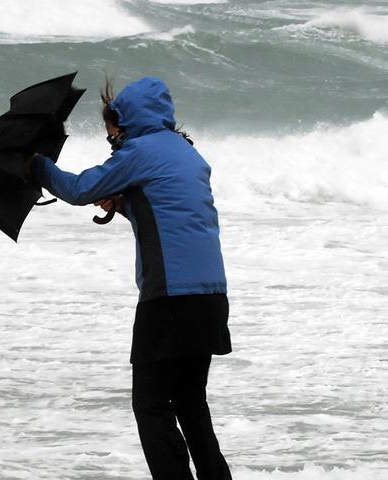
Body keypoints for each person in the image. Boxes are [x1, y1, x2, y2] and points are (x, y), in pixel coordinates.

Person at [32, 76, 233, 480]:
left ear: (125, 123)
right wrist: (126, 204)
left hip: (170, 297)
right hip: (210, 297)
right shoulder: (188, 152)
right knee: (191, 404)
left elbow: (76, 189)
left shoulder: (138, 151)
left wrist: (33, 161)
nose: (113, 147)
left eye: (111, 138)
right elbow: (172, 210)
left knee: (151, 405)